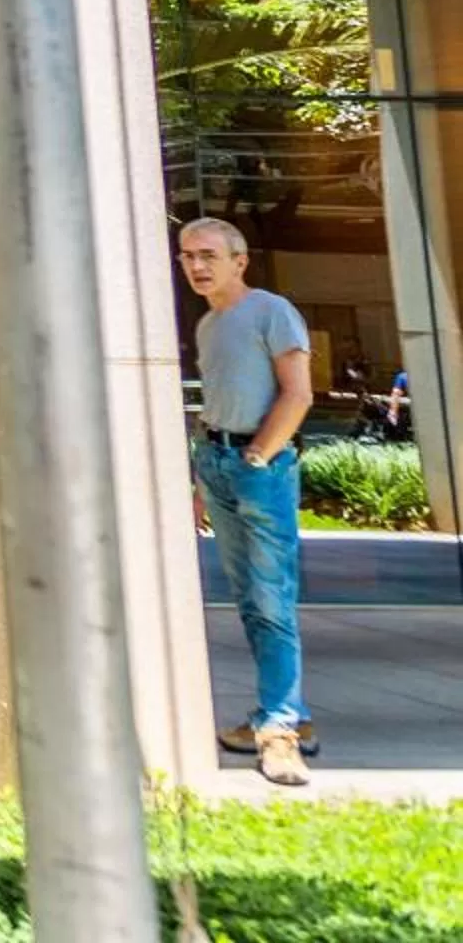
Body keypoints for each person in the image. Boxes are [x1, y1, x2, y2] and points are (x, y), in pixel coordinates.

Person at [180, 216, 317, 785]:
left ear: (240, 260)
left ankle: (279, 733)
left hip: (258, 466)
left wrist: (259, 456)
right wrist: (201, 483)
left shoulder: (272, 311)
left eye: (209, 254)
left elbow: (299, 393)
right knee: (249, 600)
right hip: (216, 464)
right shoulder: (210, 324)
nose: (197, 265)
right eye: (187, 256)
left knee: (271, 599)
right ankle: (287, 714)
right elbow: (218, 399)